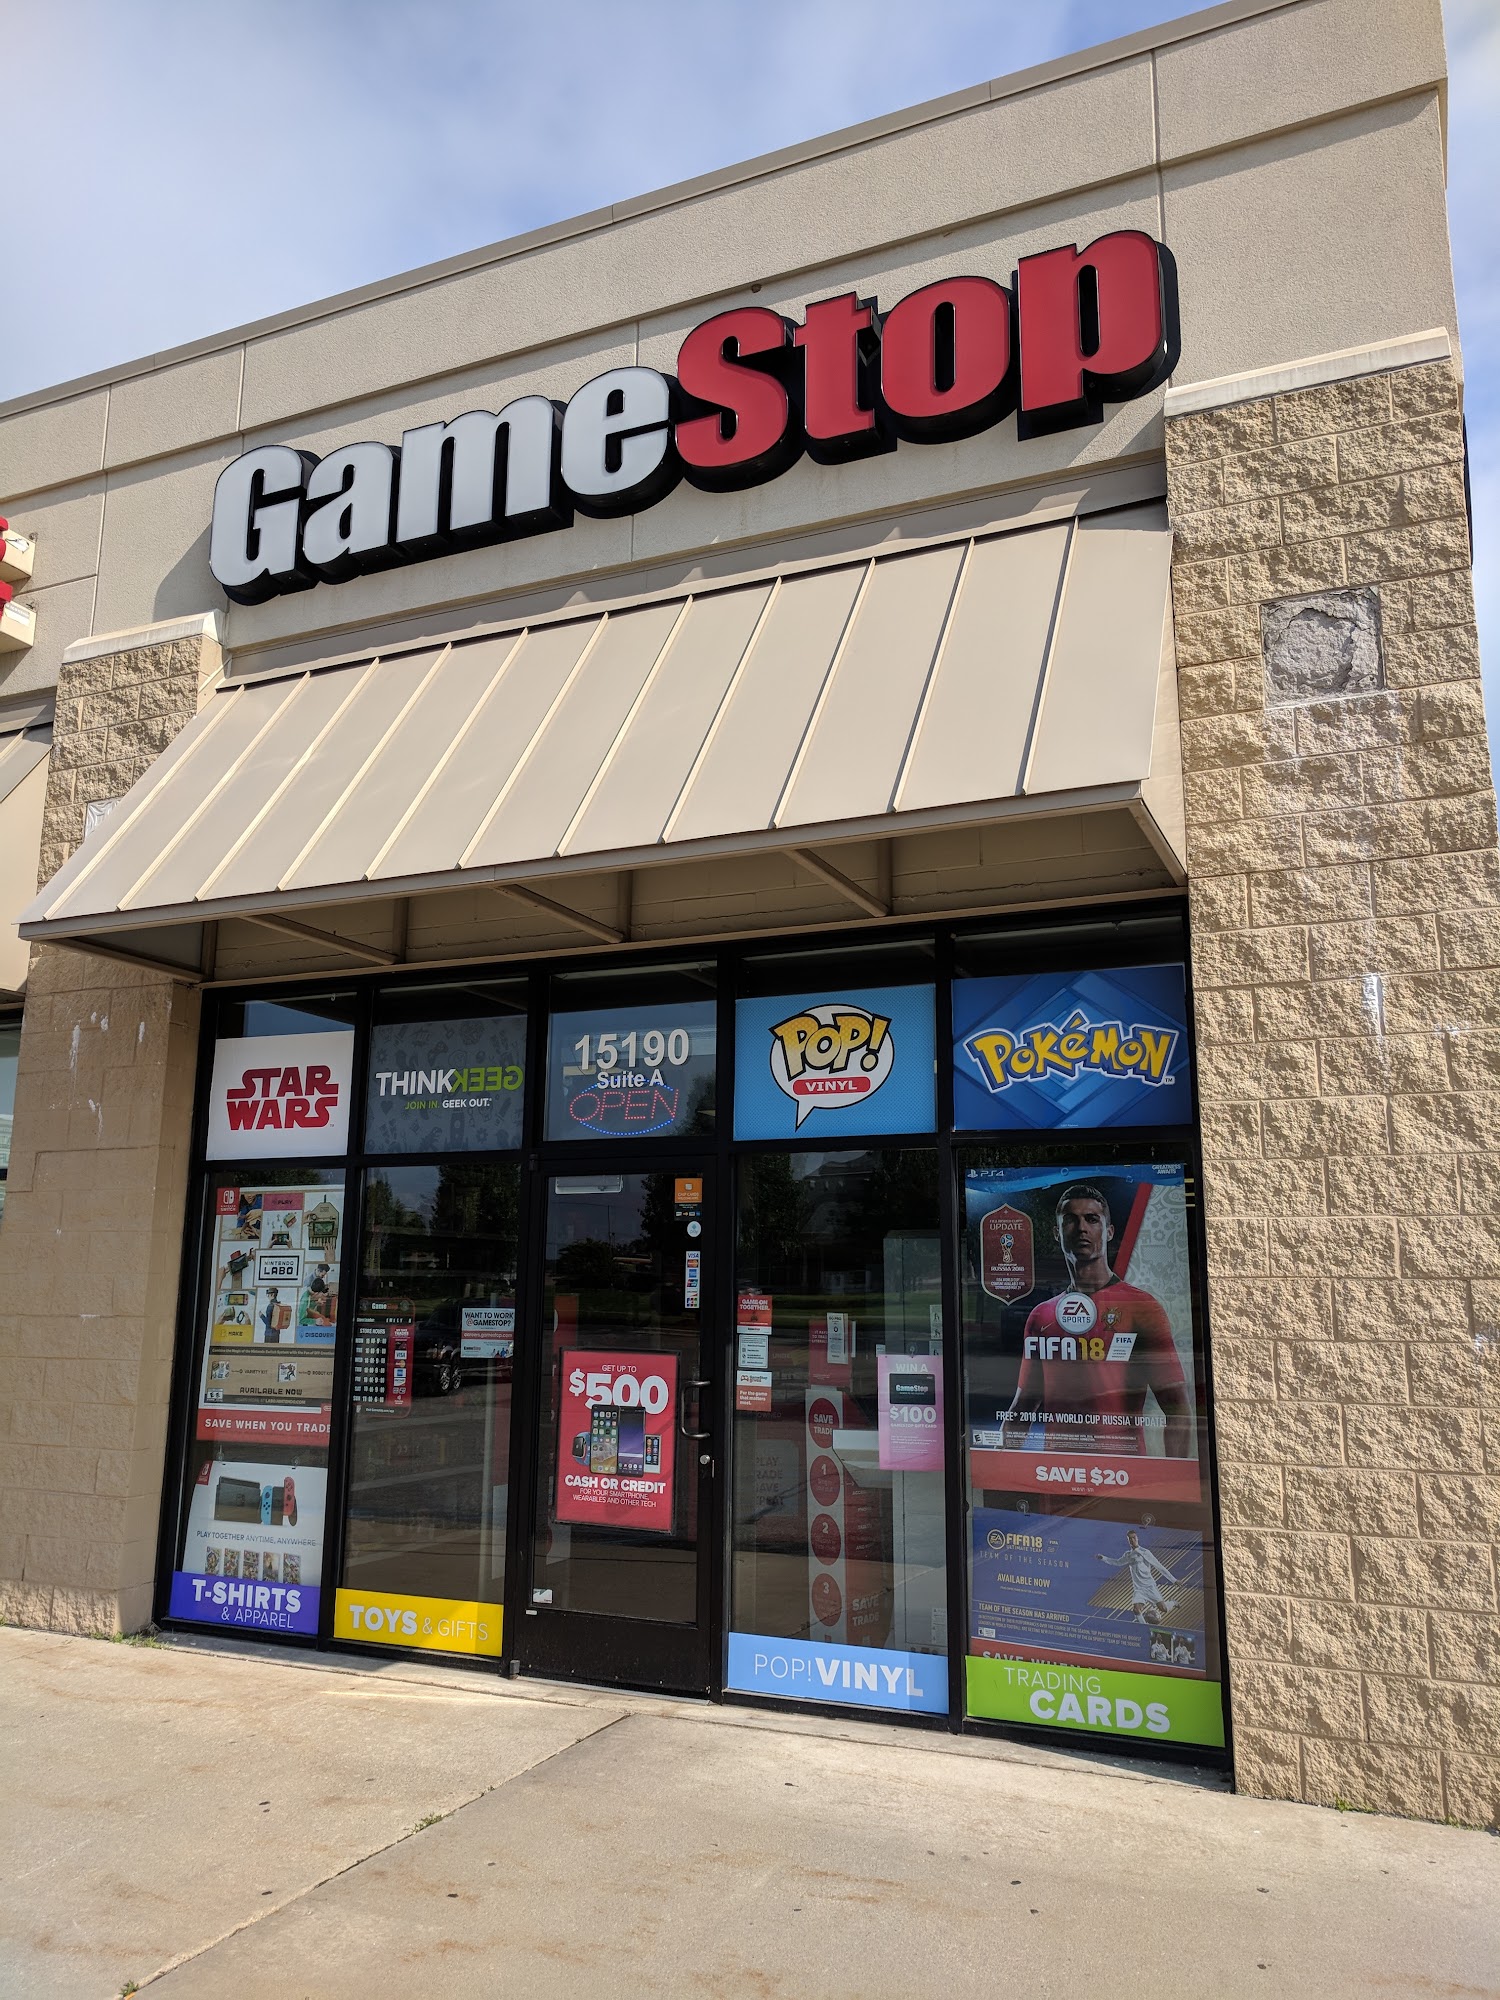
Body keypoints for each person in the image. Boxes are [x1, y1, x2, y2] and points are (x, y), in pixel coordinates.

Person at [1003, 1183, 1191, 1457]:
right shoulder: (1042, 1316)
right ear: (1057, 1233)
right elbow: (1021, 1409)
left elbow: (1177, 1408)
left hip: (1122, 1474)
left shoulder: (1141, 1307)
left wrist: (1173, 1480)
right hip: (1058, 1474)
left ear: (1109, 1231)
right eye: (1071, 1220)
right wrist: (1000, 1469)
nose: (1082, 1228)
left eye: (1092, 1219)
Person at [1097, 1529, 1179, 1624]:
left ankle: (1173, 1602)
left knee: (1163, 1609)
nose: (1132, 1540)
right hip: (1139, 1589)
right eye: (1130, 1538)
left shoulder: (1145, 1552)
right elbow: (1117, 1562)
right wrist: (1103, 1558)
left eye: (1134, 1538)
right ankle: (1144, 1628)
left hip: (1150, 1586)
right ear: (1128, 1540)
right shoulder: (1128, 1555)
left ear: (1137, 1538)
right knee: (1136, 1610)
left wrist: (1174, 1580)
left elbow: (1159, 1567)